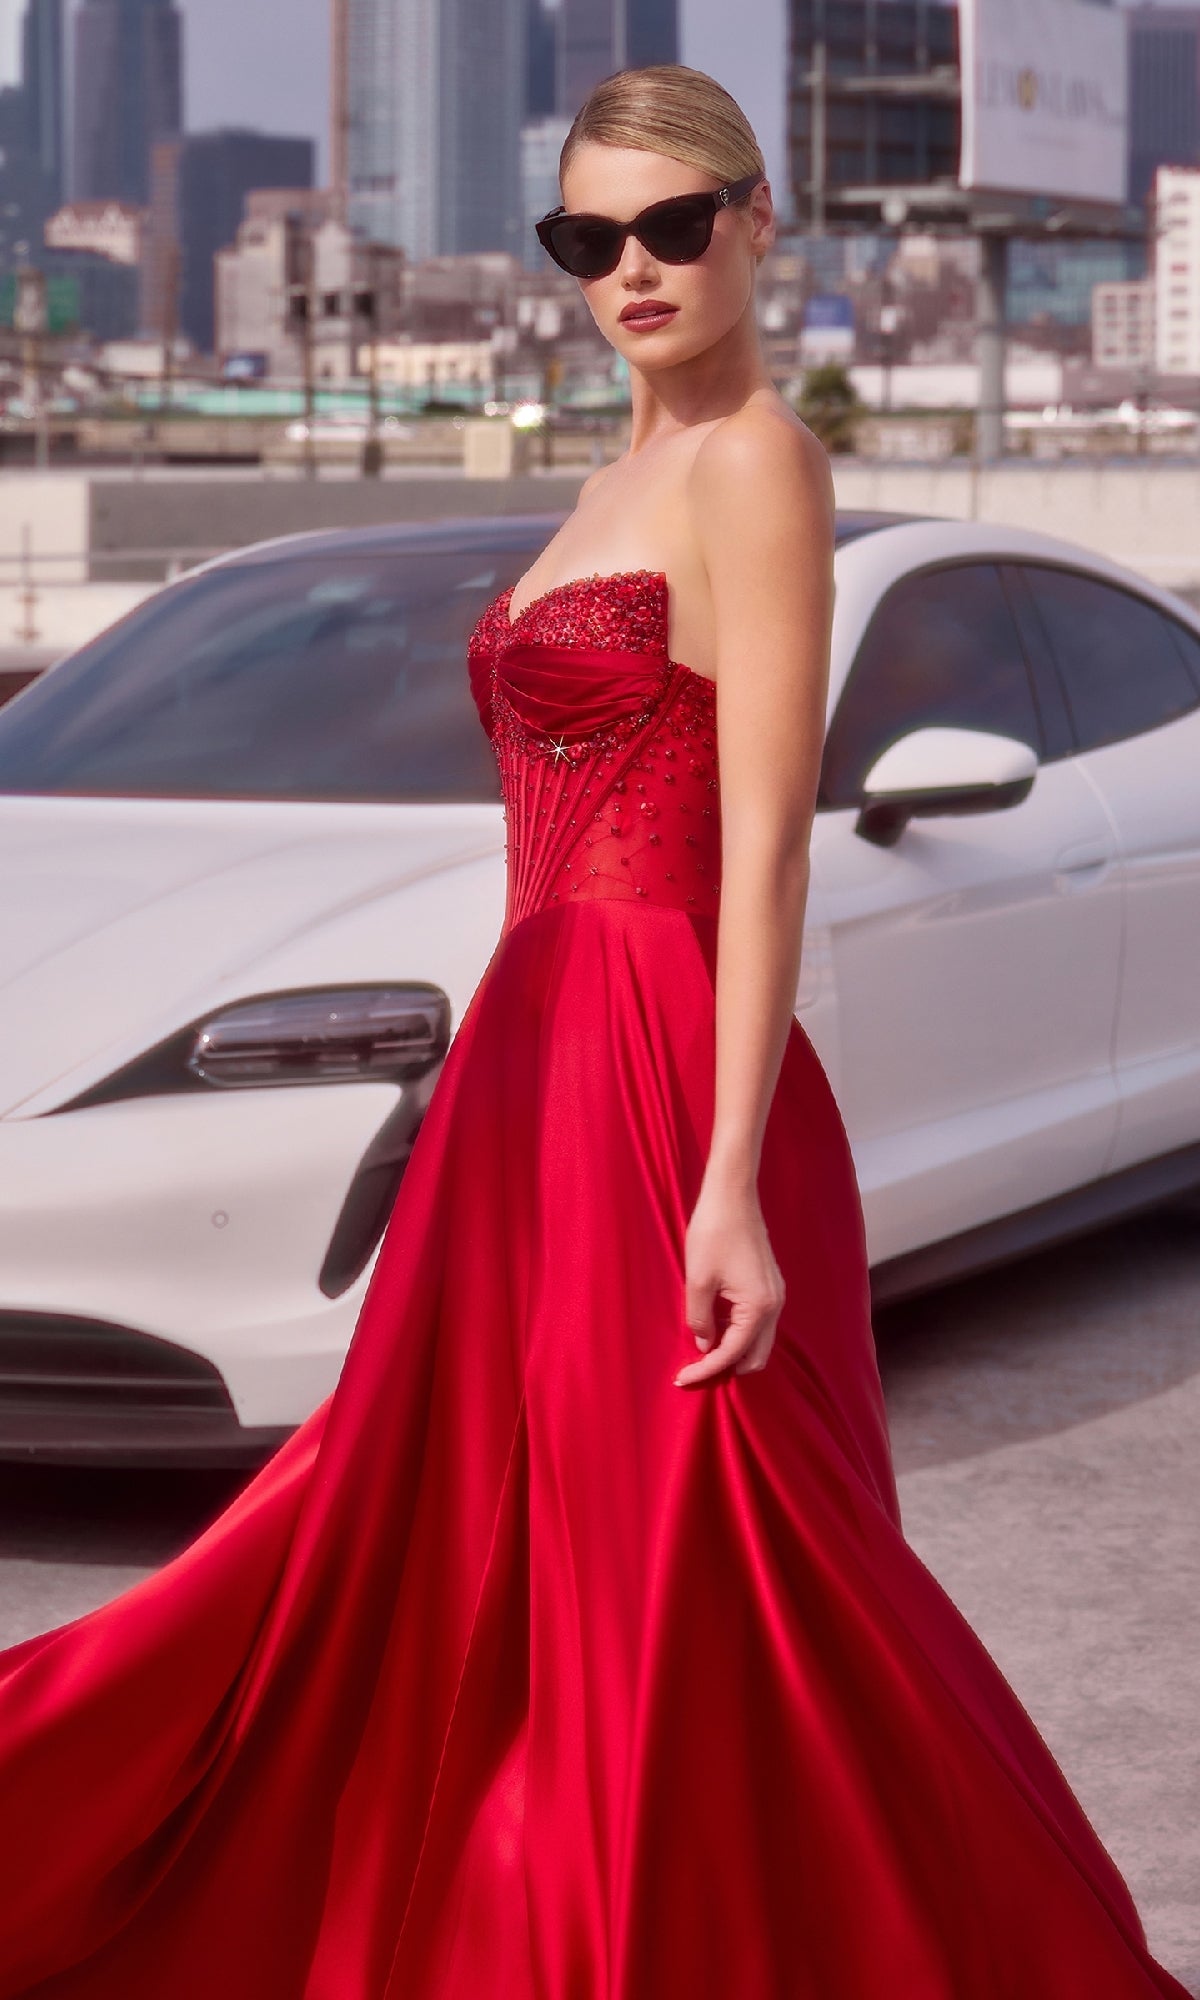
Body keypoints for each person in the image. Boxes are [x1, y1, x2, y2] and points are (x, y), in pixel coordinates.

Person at [0, 63, 1188, 2000]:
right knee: (449, 1521)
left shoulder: (759, 463)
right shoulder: (611, 476)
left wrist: (727, 1175)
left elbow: (769, 834)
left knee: (711, 1542)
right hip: (529, 1047)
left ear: (754, 224)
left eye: (671, 225)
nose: (630, 268)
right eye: (587, 239)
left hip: (661, 1054)